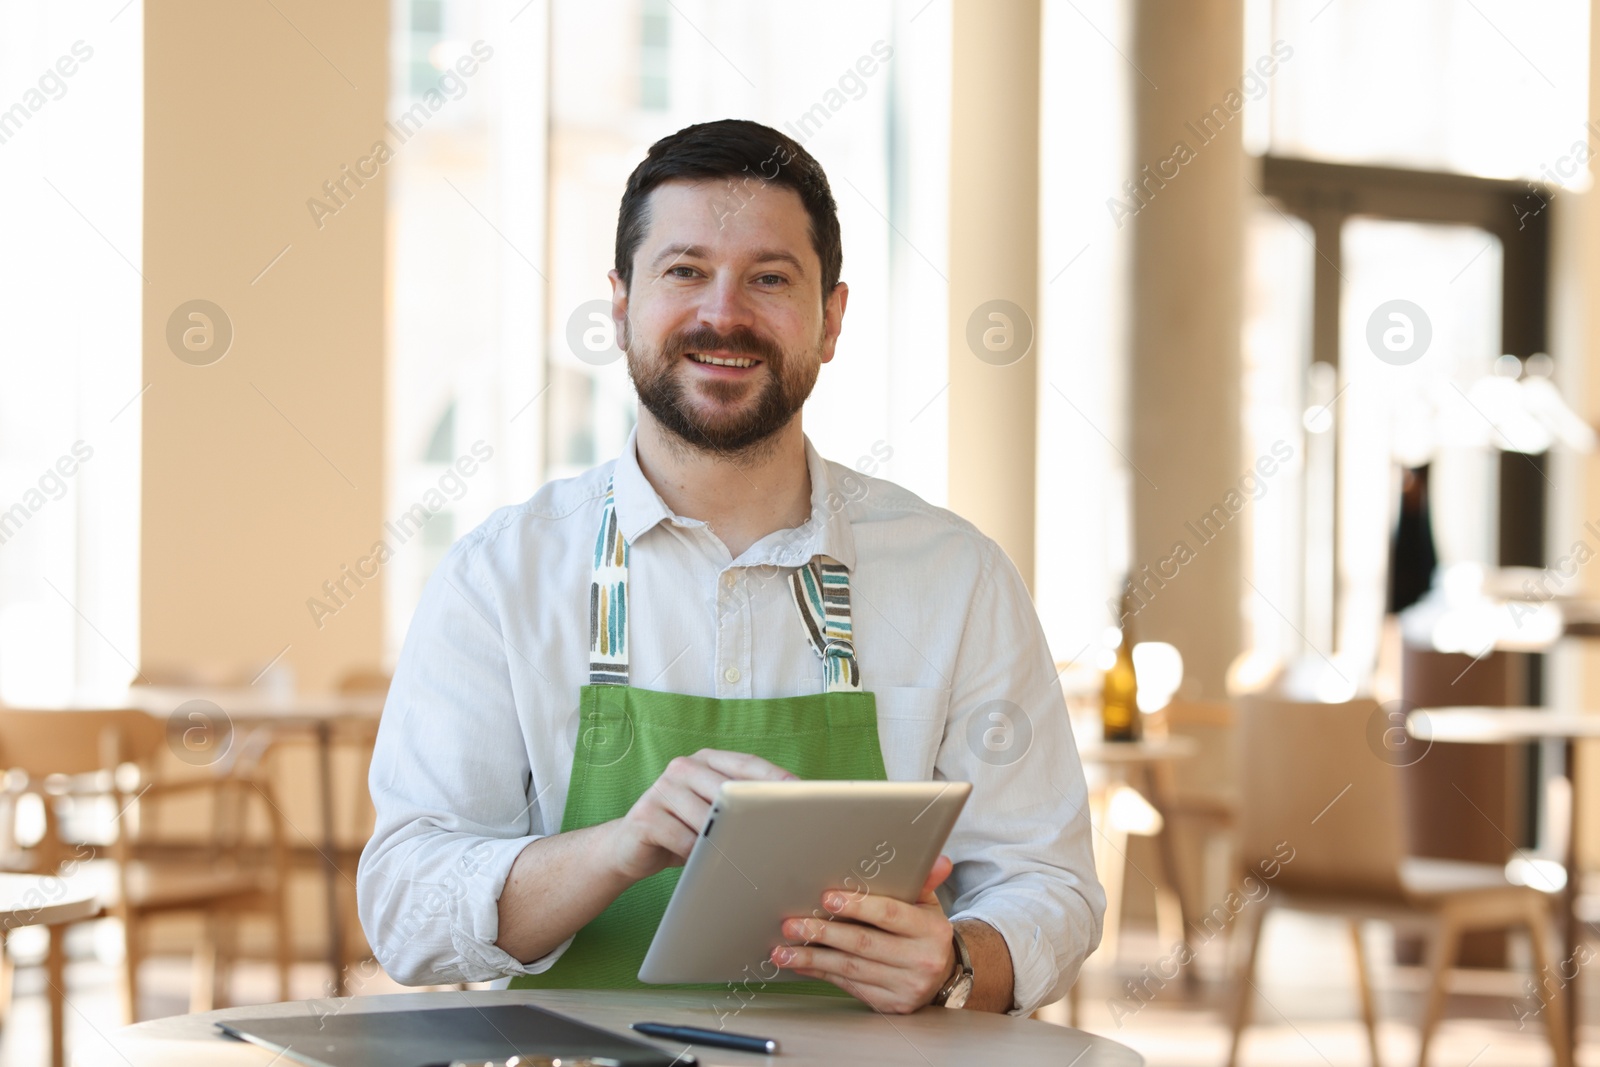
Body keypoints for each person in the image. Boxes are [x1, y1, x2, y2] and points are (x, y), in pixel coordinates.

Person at [357, 118, 1103, 1016]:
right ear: (620, 305)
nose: (724, 313)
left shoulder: (958, 577)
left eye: (770, 278)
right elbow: (405, 905)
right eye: (684, 271)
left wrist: (955, 965)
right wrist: (619, 847)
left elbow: (1049, 882)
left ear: (831, 320)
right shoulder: (498, 577)